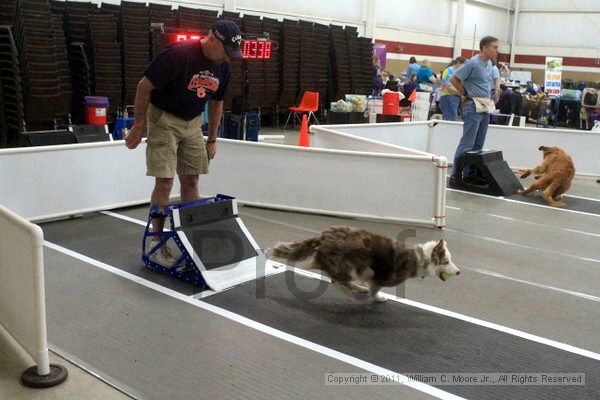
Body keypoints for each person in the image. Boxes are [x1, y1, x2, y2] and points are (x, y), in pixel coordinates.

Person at [125, 19, 242, 264]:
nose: (228, 58)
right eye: (227, 51)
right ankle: (156, 239)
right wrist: (138, 125)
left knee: (191, 179)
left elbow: (217, 102)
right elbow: (143, 87)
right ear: (213, 39)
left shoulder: (223, 66)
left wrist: (212, 138)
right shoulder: (177, 54)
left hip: (193, 123)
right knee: (165, 182)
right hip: (164, 119)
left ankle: (190, 239)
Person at [449, 35, 499, 186]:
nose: (497, 51)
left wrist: (495, 90)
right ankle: (455, 175)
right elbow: (454, 79)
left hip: (484, 106)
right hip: (473, 105)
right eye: (495, 47)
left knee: (478, 144)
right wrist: (464, 92)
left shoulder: (489, 64)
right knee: (467, 143)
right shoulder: (473, 63)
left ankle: (470, 173)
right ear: (484, 48)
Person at [439, 57, 466, 121]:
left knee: (453, 118)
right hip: (448, 96)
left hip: (455, 96)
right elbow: (448, 86)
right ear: (458, 63)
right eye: (463, 65)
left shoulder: (458, 72)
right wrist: (461, 93)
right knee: (451, 119)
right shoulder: (449, 70)